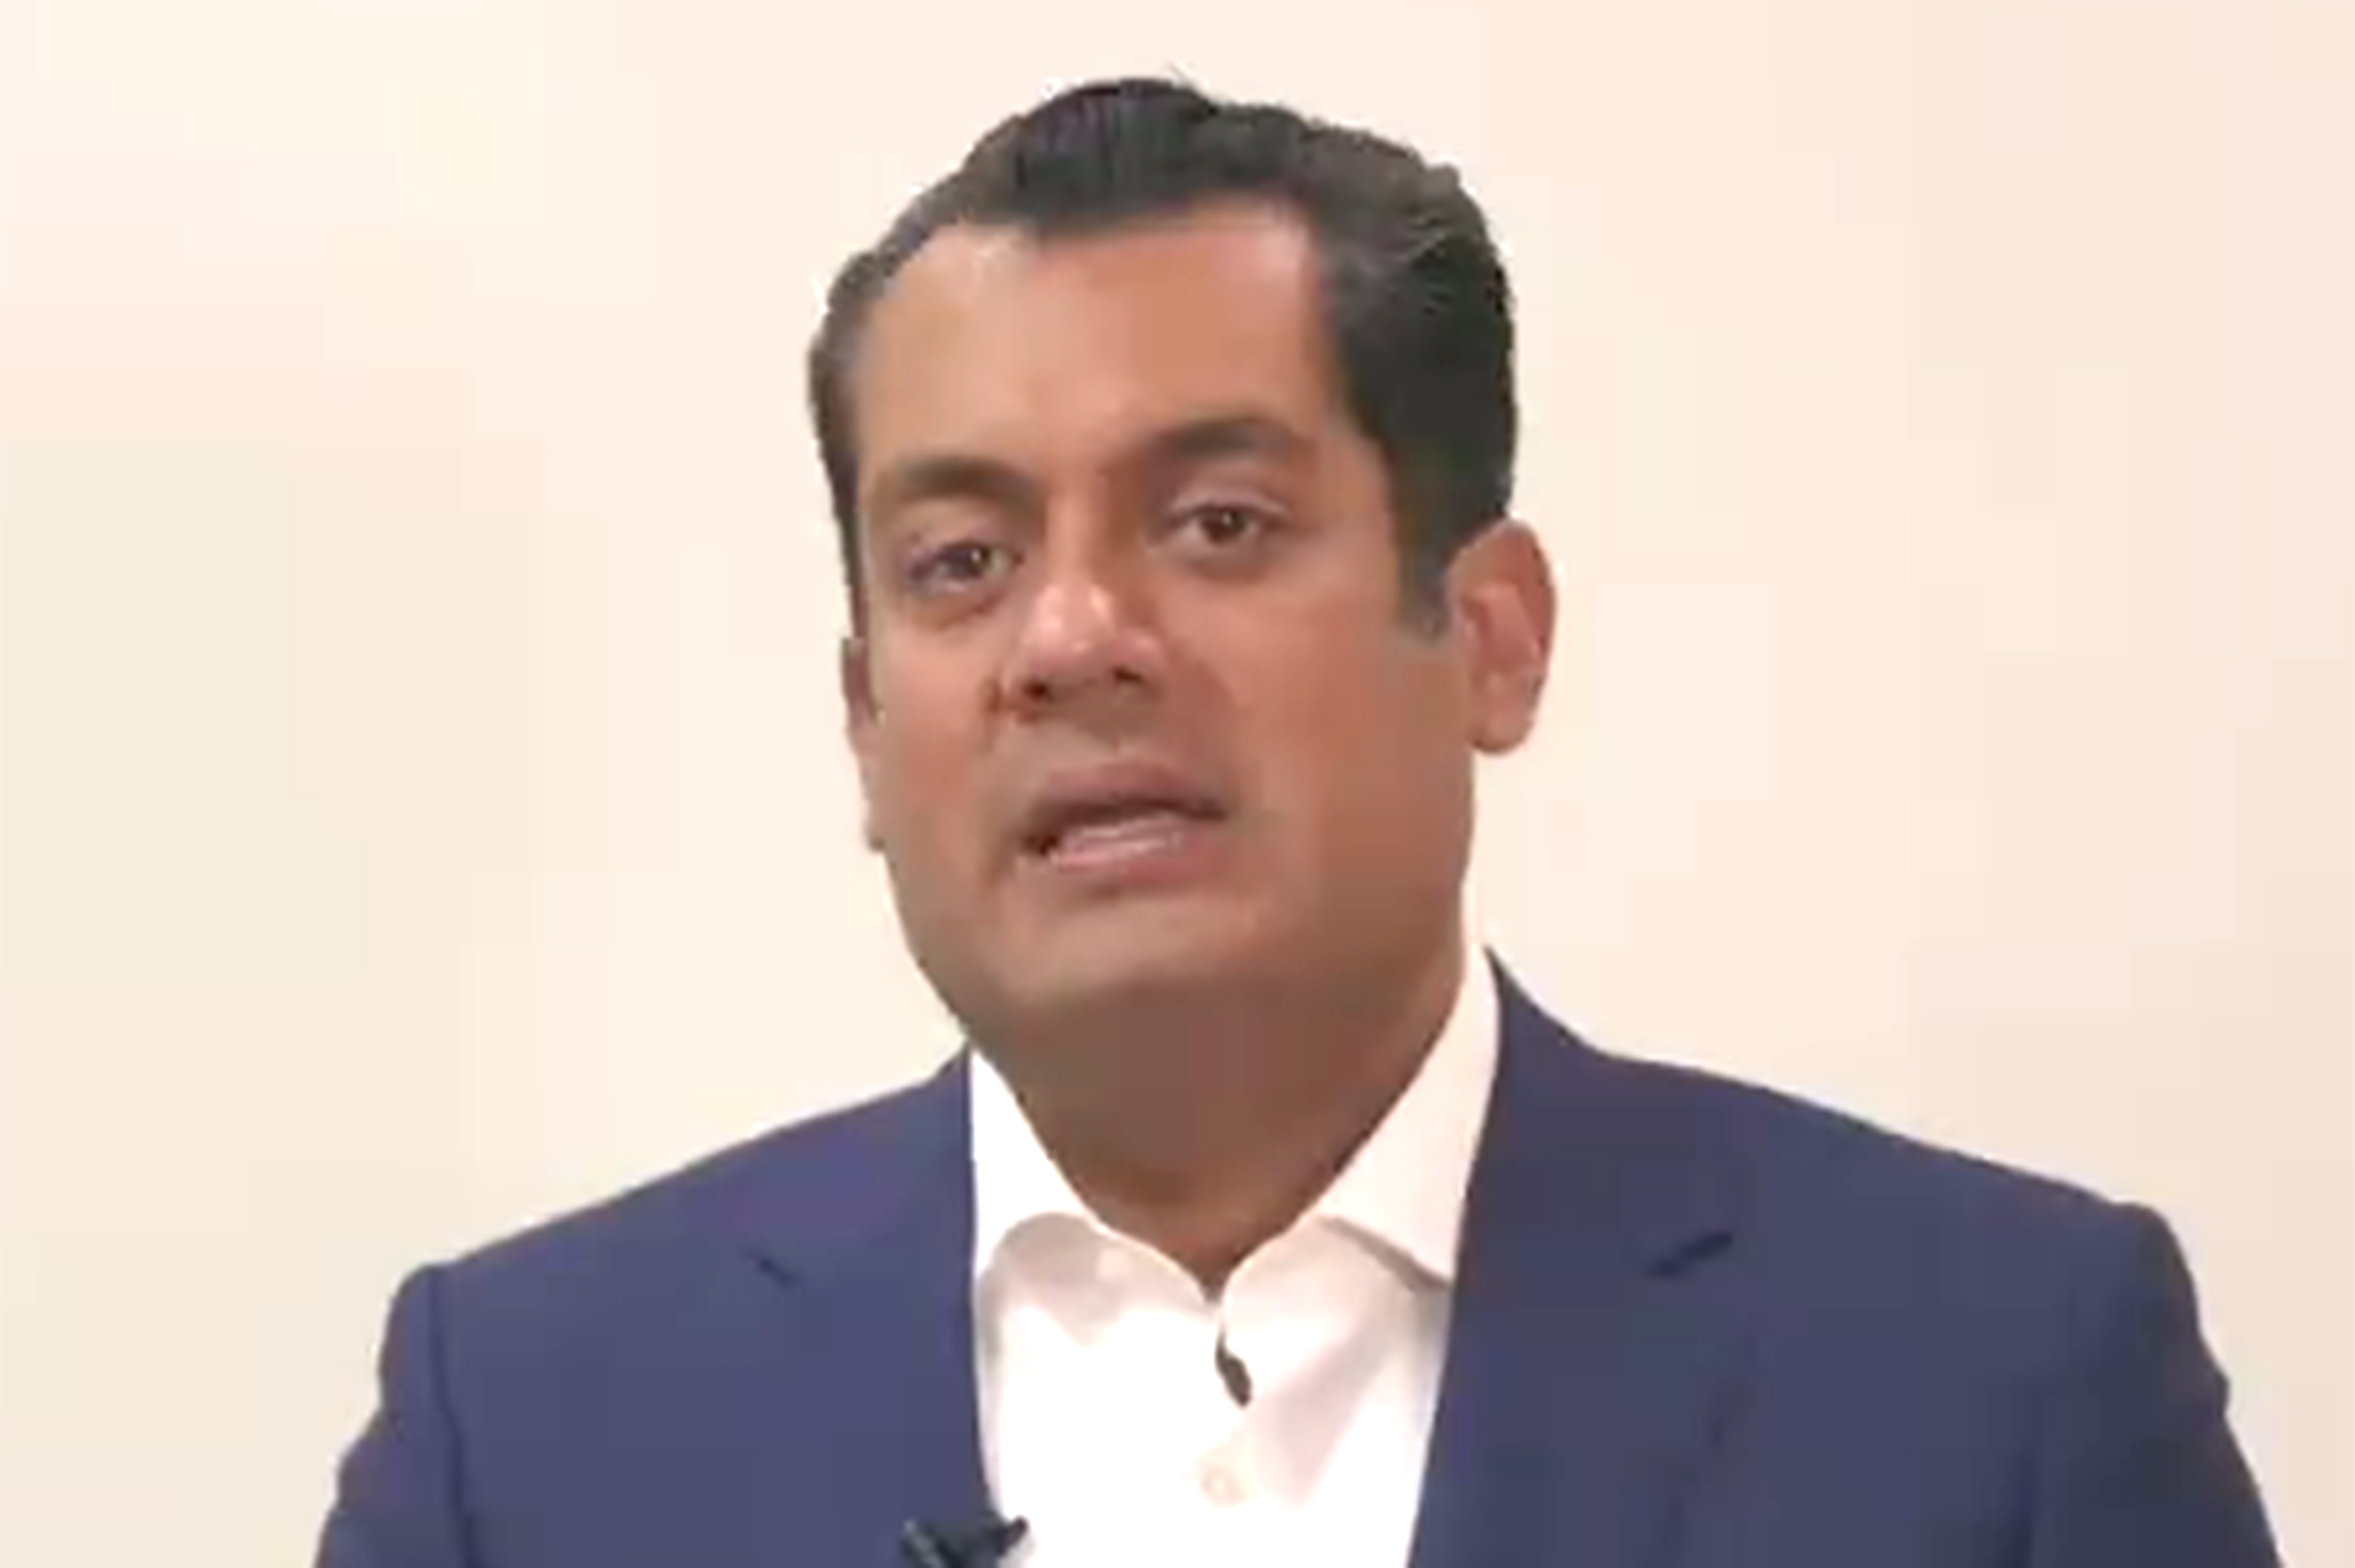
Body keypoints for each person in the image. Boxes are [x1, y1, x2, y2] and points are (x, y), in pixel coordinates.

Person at [317, 78, 2279, 1567]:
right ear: (860, 721)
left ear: (1490, 635)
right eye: (962, 559)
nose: (1068, 640)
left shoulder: (1992, 1379)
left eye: (1216, 523)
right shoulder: (532, 1428)